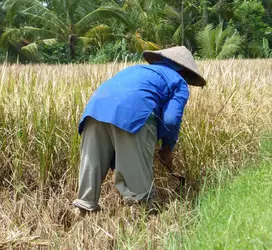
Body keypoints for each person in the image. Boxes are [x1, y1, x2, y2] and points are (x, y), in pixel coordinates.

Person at [72, 46, 206, 214]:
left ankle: (82, 211)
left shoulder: (137, 70)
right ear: (185, 72)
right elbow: (171, 120)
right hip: (131, 115)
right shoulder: (178, 82)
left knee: (91, 167)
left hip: (95, 110)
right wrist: (167, 148)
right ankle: (145, 216)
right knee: (138, 181)